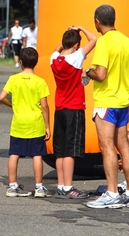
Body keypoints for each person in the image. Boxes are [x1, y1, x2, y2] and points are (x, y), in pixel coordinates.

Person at [85, 4, 129, 208]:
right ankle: (128, 190)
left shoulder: (103, 42)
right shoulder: (125, 40)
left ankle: (112, 193)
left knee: (106, 147)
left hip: (106, 101)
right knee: (125, 147)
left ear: (97, 21)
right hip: (123, 100)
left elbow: (101, 74)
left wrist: (88, 73)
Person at [50, 26, 97, 199]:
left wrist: (66, 39)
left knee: (60, 150)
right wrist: (81, 28)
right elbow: (94, 40)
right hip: (74, 107)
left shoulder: (54, 59)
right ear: (77, 45)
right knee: (70, 150)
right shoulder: (76, 58)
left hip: (60, 108)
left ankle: (61, 186)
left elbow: (57, 49)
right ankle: (68, 187)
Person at [0, 47, 52, 198]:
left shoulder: (13, 79)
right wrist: (47, 126)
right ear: (36, 62)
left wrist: (12, 105)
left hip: (19, 122)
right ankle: (39, 187)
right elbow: (45, 106)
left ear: (21, 62)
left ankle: (13, 186)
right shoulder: (40, 82)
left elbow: (1, 97)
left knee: (14, 154)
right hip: (35, 122)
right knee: (37, 155)